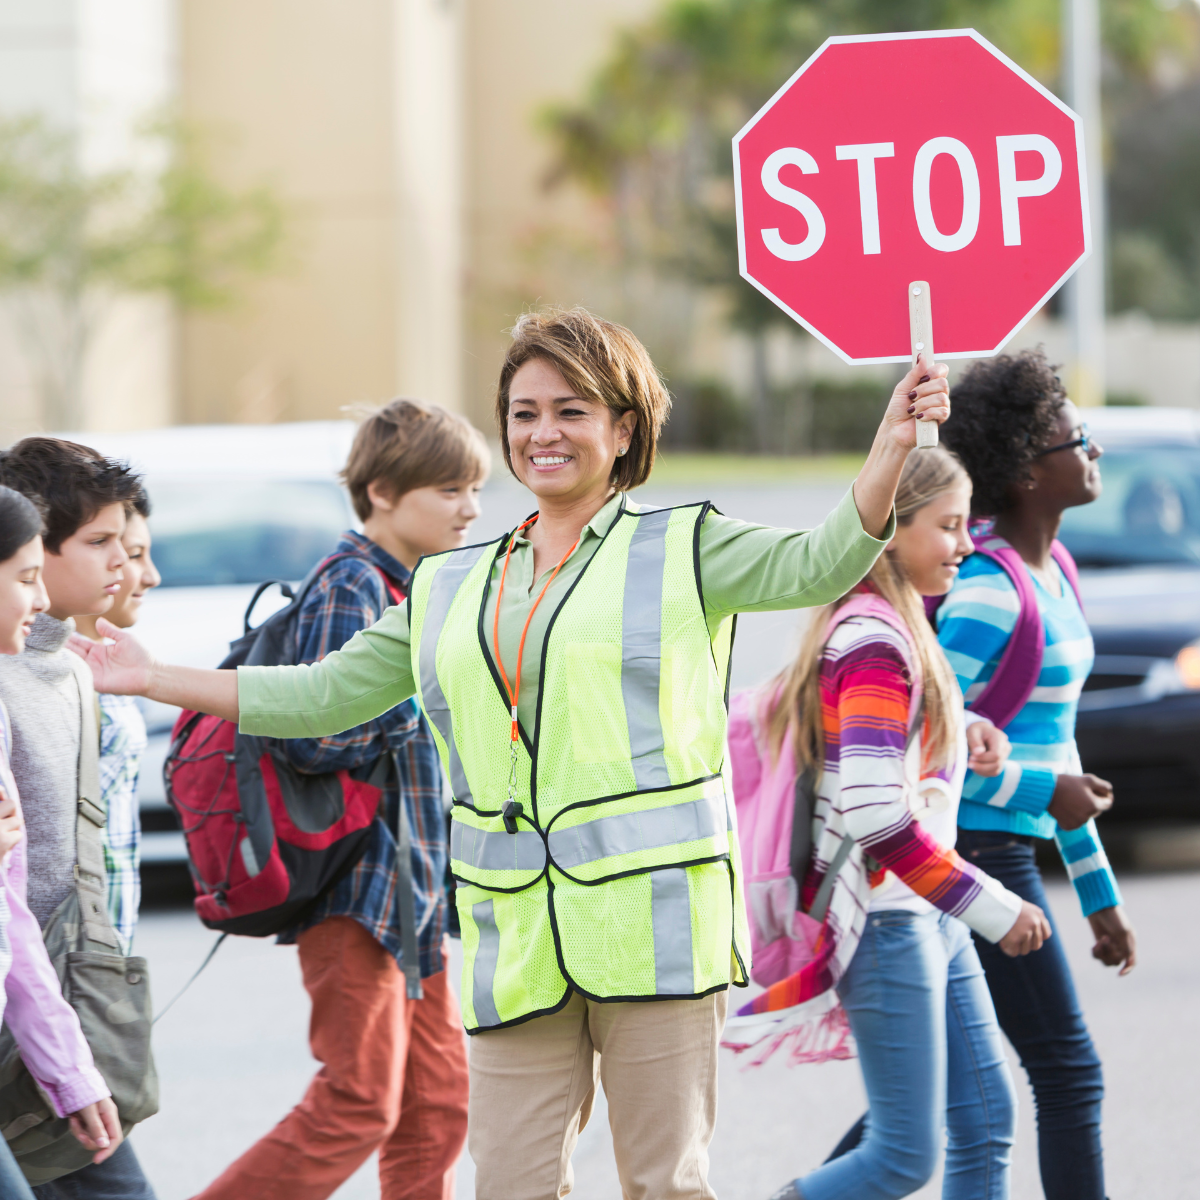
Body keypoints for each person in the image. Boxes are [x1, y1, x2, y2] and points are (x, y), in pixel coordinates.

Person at [70, 306, 952, 1200]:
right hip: (518, 938)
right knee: (513, 1187)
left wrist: (889, 447)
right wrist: (152, 676)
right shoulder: (451, 580)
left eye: (571, 410)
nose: (543, 433)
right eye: (524, 412)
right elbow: (323, 693)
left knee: (663, 1186)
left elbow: (820, 562)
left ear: (623, 426)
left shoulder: (684, 546)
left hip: (658, 933)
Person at [192, 399, 483, 1200]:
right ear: (384, 491)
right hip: (357, 890)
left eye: (474, 489)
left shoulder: (408, 584)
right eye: (451, 490)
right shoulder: (354, 584)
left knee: (435, 1106)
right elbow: (316, 734)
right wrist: (424, 694)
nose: (472, 508)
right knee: (356, 1103)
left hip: (411, 892)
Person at [762, 449, 1050, 1200]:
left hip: (923, 911)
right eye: (949, 526)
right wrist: (989, 905)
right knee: (900, 1156)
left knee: (985, 1123)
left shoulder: (898, 624)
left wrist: (963, 728)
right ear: (889, 530)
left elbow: (890, 757)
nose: (965, 545)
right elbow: (876, 813)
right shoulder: (873, 640)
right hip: (893, 920)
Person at [938, 350, 1135, 1200]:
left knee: (932, 1092)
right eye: (1077, 440)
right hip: (974, 853)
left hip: (1009, 847)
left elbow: (1062, 757)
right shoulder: (987, 592)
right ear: (1024, 473)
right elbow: (926, 743)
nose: (1095, 454)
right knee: (1066, 1073)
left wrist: (1100, 897)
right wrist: (1035, 794)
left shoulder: (1056, 575)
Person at [0, 440, 157, 1200]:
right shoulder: (7, 674)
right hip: (22, 997)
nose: (121, 568)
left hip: (58, 993)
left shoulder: (72, 669)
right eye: (97, 544)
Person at [74, 484, 161, 955]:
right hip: (68, 950)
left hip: (104, 948)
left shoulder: (119, 670)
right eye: (135, 554)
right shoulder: (48, 677)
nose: (147, 575)